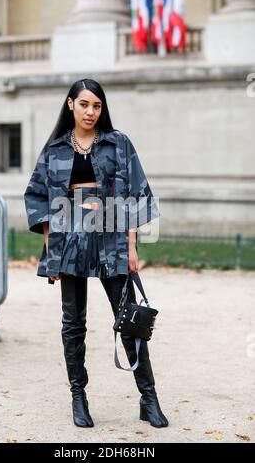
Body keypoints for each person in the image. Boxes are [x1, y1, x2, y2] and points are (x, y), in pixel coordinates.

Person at [24, 78, 168, 429]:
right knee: (74, 325)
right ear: (71, 104)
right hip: (69, 239)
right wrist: (51, 251)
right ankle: (79, 397)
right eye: (85, 104)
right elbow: (39, 199)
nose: (91, 112)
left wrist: (131, 246)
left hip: (112, 237)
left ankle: (148, 399)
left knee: (130, 321)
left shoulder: (118, 144)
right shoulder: (55, 149)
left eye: (97, 105)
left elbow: (134, 195)